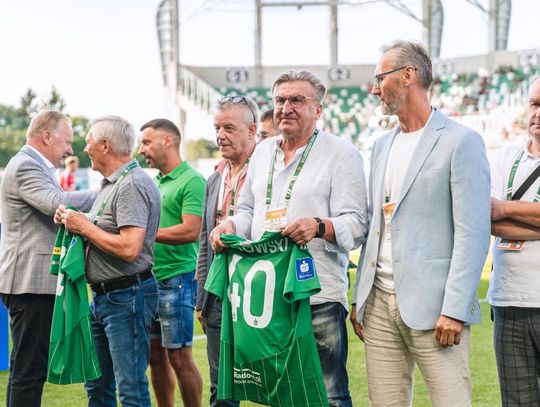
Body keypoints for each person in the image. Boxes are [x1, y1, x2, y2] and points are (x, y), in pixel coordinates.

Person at [210, 71, 368, 407]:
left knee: (328, 394)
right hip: (268, 296)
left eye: (297, 100)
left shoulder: (341, 154)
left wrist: (318, 226)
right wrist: (231, 226)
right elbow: (249, 210)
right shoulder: (263, 152)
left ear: (318, 109)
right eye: (280, 100)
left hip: (316, 294)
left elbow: (356, 224)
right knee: (280, 393)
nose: (286, 107)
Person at [351, 40, 491, 406]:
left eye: (380, 78)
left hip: (437, 310)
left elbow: (473, 233)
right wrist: (360, 296)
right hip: (379, 305)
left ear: (408, 75)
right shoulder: (381, 146)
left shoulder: (462, 141)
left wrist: (455, 309)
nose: (374, 89)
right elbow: (376, 226)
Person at [56, 115, 160, 407]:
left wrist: (84, 227)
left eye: (88, 141)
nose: (84, 148)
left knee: (130, 389)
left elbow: (130, 248)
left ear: (105, 145)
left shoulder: (131, 185)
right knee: (97, 386)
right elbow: (108, 229)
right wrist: (74, 221)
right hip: (108, 297)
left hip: (126, 296)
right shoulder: (113, 184)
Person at [0, 110, 96, 407]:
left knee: (26, 367)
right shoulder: (26, 165)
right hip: (29, 281)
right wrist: (108, 192)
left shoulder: (31, 164)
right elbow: (57, 203)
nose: (70, 149)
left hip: (31, 280)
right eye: (66, 142)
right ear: (46, 137)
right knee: (29, 370)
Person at [196, 95, 258, 407]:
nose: (220, 135)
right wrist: (202, 300)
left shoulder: (269, 174)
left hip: (260, 291)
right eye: (217, 128)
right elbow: (204, 242)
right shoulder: (214, 179)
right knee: (221, 388)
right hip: (219, 294)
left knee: (275, 384)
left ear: (252, 130)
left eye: (229, 128)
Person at [138, 118, 205, 407]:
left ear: (167, 141)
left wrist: (143, 234)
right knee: (156, 356)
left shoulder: (193, 181)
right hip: (150, 280)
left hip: (178, 280)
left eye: (146, 142)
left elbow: (191, 230)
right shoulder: (154, 182)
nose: (141, 149)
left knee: (180, 357)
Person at [489, 75, 540, 406]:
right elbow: (487, 217)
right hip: (508, 301)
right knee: (517, 402)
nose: (537, 112)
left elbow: (497, 211)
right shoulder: (503, 157)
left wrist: (506, 208)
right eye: (534, 104)